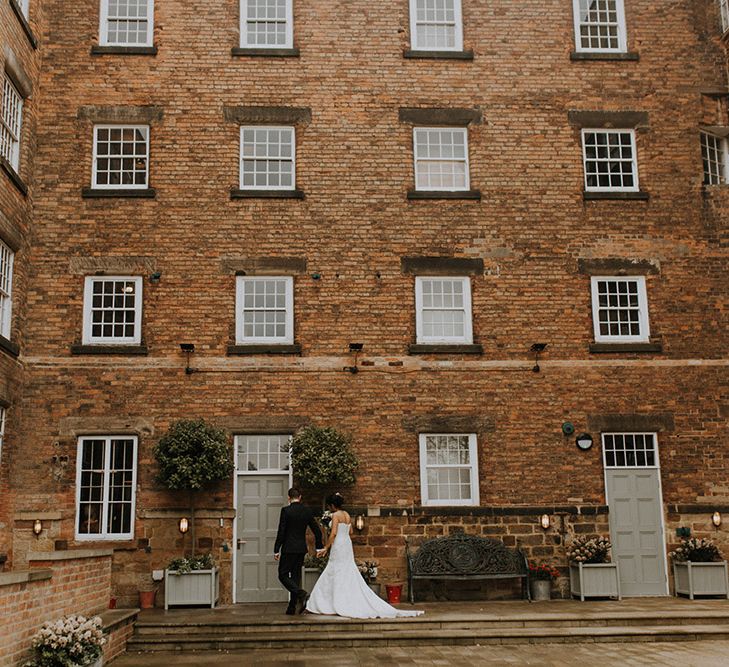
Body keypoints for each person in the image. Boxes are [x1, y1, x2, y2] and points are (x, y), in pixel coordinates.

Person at [306, 493, 424, 619]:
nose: (329, 509)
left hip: (339, 544)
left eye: (330, 506)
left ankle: (329, 603)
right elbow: (350, 531)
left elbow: (334, 533)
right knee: (346, 569)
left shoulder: (335, 515)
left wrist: (326, 547)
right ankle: (338, 601)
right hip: (346, 544)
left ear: (333, 505)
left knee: (335, 569)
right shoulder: (346, 514)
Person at [274, 487, 324, 615]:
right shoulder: (306, 511)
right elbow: (317, 530)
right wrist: (319, 546)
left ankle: (301, 594)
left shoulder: (286, 511)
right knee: (295, 578)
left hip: (288, 548)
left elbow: (282, 531)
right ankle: (292, 608)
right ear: (300, 497)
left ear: (289, 498)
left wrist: (276, 549)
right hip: (301, 548)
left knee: (282, 574)